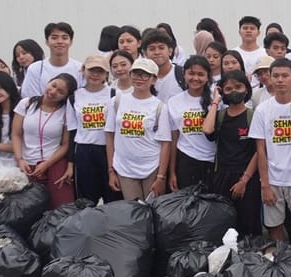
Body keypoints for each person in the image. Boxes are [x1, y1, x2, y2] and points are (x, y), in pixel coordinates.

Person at [249, 58, 291, 253]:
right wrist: (265, 184)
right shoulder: (262, 110)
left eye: (285, 76)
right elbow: (261, 150)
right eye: (275, 75)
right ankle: (282, 261)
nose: (280, 80)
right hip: (273, 179)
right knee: (273, 224)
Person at [202, 70, 262, 236]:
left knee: (249, 225)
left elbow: (259, 151)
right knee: (225, 225)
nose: (234, 91)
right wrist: (215, 101)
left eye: (238, 87)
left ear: (247, 89)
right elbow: (207, 129)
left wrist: (244, 180)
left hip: (247, 177)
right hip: (221, 176)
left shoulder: (253, 116)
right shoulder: (219, 116)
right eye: (228, 89)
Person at [106, 58, 172, 201]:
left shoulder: (160, 107)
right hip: (124, 168)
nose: (139, 79)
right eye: (136, 74)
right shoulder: (116, 102)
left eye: (145, 75)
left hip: (152, 167)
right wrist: (111, 170)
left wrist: (161, 177)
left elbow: (166, 143)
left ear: (154, 79)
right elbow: (109, 136)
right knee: (134, 214)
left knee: (152, 212)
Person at [11, 74, 77, 208]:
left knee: (63, 207)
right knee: (28, 210)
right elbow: (16, 134)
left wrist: (47, 164)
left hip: (54, 163)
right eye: (53, 85)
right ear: (49, 81)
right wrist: (20, 159)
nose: (53, 92)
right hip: (27, 163)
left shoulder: (66, 111)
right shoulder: (26, 104)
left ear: (66, 96)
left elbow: (65, 144)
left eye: (60, 92)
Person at [71, 55, 117, 204]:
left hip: (108, 150)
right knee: (86, 201)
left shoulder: (115, 95)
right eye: (92, 70)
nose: (95, 74)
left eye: (100, 71)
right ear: (84, 70)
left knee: (112, 197)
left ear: (106, 74)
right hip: (84, 150)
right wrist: (70, 162)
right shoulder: (74, 97)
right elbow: (71, 131)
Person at [166, 56, 215, 190]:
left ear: (207, 77)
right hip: (186, 160)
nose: (195, 78)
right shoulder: (174, 102)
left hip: (212, 161)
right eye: (191, 73)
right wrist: (172, 173)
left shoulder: (216, 100)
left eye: (200, 74)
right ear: (184, 74)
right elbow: (174, 138)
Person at [21, 21, 83, 98]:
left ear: (71, 42)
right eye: (54, 38)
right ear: (47, 42)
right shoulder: (35, 69)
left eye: (64, 38)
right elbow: (30, 98)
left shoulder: (80, 69)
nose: (60, 41)